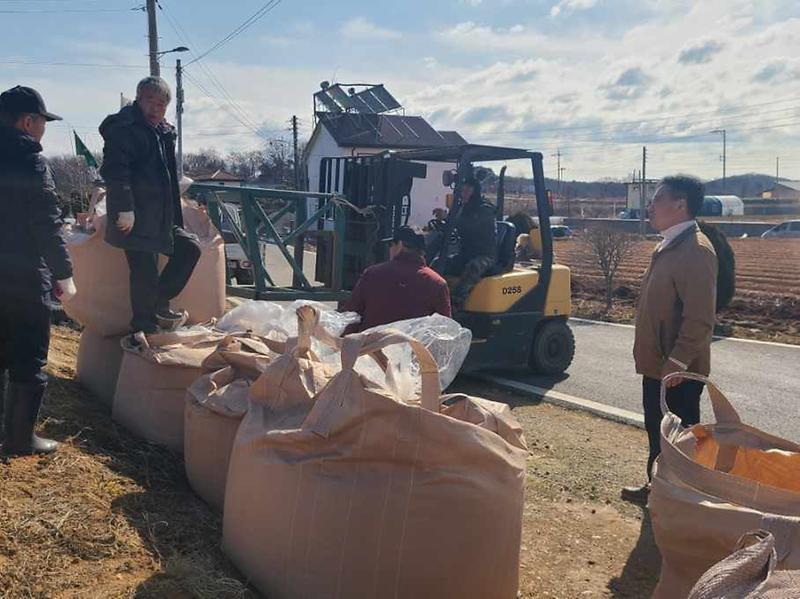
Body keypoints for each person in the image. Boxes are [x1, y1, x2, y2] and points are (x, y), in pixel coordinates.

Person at [622, 175, 717, 504]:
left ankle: (681, 500)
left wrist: (676, 362)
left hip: (678, 373)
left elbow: (700, 318)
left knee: (681, 439)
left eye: (657, 199)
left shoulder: (695, 250)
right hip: (660, 366)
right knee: (658, 433)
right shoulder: (668, 244)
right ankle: (656, 489)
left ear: (680, 204)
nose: (650, 206)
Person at [0, 85, 76, 455]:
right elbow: (47, 223)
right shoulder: (32, 162)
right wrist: (64, 274)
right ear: (28, 122)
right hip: (24, 275)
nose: (44, 130)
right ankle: (19, 439)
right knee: (29, 357)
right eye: (43, 122)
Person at [99, 77, 201, 334]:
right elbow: (116, 171)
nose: (156, 109)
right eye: (151, 102)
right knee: (144, 271)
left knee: (190, 248)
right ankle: (143, 326)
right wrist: (124, 208)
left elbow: (164, 171)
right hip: (134, 214)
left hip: (159, 214)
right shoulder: (124, 129)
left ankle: (158, 302)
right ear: (138, 99)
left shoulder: (162, 131)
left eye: (162, 104)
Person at [343, 226, 451, 334]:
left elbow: (352, 315)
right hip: (413, 349)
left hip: (371, 348)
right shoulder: (437, 283)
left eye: (391, 245)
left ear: (400, 245)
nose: (390, 249)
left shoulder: (372, 274)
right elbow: (444, 330)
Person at [445, 178, 497, 309]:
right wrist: (446, 220)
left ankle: (455, 304)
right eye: (462, 190)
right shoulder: (463, 208)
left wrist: (452, 220)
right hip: (467, 253)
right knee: (440, 262)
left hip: (485, 255)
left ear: (475, 191)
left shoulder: (485, 209)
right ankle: (436, 295)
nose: (464, 193)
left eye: (468, 190)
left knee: (473, 267)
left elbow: (473, 226)